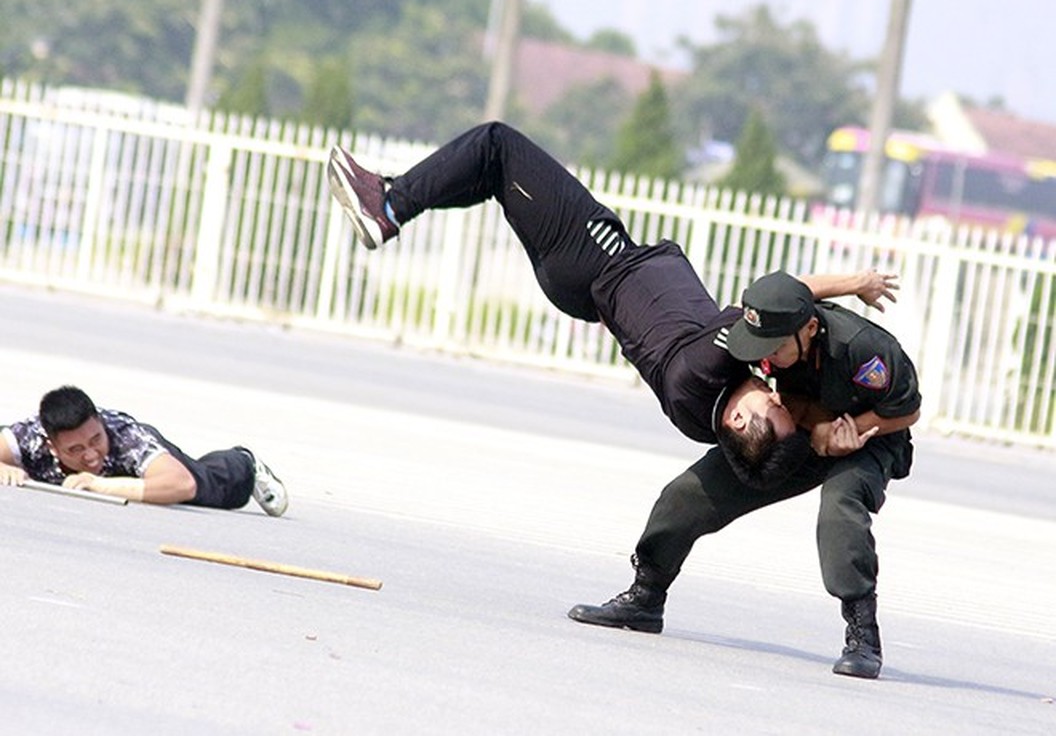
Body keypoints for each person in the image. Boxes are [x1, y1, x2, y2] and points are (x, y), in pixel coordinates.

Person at [326, 121, 895, 484]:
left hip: (595, 257)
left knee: (497, 146)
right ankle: (396, 193)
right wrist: (823, 433)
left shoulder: (707, 370)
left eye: (772, 408)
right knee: (495, 176)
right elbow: (779, 407)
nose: (777, 396)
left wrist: (857, 282)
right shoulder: (703, 419)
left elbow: (777, 298)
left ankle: (390, 205)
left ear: (740, 419)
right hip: (588, 282)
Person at [567, 270, 920, 680]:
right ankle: (645, 597)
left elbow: (907, 410)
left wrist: (849, 432)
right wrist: (854, 281)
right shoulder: (771, 326)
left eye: (773, 347)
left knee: (841, 505)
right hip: (797, 425)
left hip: (873, 434)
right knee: (687, 494)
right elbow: (791, 292)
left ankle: (863, 636)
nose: (761, 355)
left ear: (808, 329)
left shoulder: (862, 348)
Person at [0, 385, 288, 516]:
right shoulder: (28, 437)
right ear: (52, 445)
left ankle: (244, 461)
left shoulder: (126, 437)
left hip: (136, 467)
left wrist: (100, 486)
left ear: (100, 423)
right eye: (75, 449)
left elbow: (182, 485)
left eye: (95, 440)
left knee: (204, 489)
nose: (90, 455)